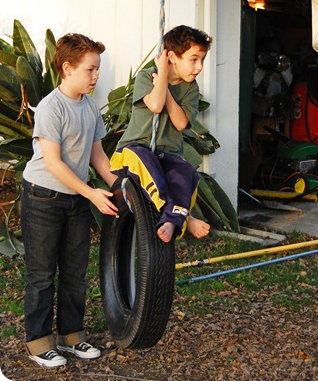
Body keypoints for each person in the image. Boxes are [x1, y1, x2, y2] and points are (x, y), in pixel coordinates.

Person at [21, 33, 119, 367]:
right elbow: (53, 163)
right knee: (42, 274)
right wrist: (91, 192)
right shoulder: (52, 107)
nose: (96, 76)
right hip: (43, 197)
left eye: (97, 69)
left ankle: (71, 335)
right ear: (67, 68)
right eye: (90, 69)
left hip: (76, 198)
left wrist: (122, 188)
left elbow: (98, 156)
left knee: (75, 272)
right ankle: (38, 343)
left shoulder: (90, 107)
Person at [110, 25, 211, 243]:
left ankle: (172, 220)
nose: (199, 67)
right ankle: (183, 218)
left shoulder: (191, 88)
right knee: (147, 163)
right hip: (134, 150)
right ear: (172, 57)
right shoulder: (148, 76)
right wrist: (162, 74)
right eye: (194, 59)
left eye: (202, 60)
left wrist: (166, 91)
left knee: (185, 174)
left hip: (168, 154)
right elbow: (155, 106)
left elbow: (181, 123)